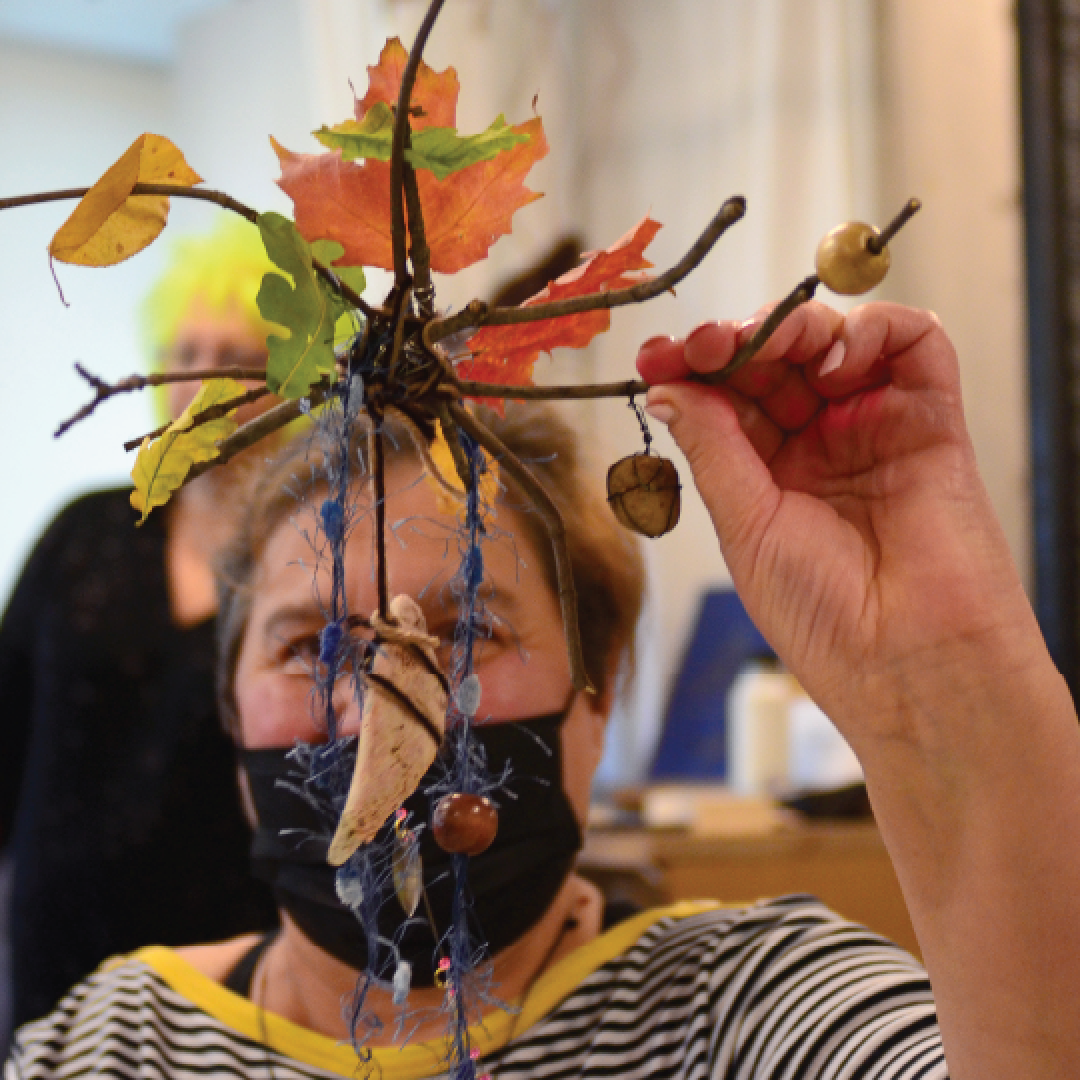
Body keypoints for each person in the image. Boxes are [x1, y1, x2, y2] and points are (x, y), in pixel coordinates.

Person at [6, 300, 1080, 1080]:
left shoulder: (741, 1015)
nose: (385, 706)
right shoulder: (113, 1045)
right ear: (232, 711)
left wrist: (943, 683)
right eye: (310, 648)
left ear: (597, 692)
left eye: (468, 629)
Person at [0, 217, 279, 1030]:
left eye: (236, 356)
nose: (203, 378)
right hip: (57, 955)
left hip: (231, 973)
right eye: (186, 351)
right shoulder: (85, 531)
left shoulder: (310, 563)